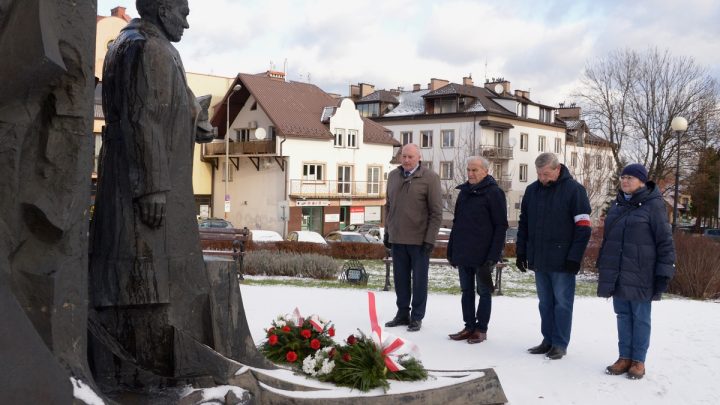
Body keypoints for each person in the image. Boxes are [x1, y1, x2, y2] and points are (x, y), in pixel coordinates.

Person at [89, 0, 217, 376]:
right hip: (145, 188)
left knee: (142, 279)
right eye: (184, 13)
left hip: (141, 181)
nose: (188, 24)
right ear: (163, 10)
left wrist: (194, 115)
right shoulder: (148, 47)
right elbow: (143, 118)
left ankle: (146, 367)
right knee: (141, 281)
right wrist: (152, 187)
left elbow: (163, 104)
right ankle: (145, 372)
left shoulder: (135, 43)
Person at [596, 164, 675, 380]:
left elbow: (665, 242)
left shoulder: (654, 205)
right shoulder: (618, 205)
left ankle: (638, 360)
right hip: (619, 272)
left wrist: (664, 272)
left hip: (642, 272)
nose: (625, 181)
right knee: (622, 315)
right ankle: (624, 357)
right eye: (622, 177)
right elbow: (609, 239)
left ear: (642, 181)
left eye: (630, 177)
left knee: (640, 317)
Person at [516, 152, 591, 360]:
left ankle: (559, 342)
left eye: (546, 174)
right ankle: (547, 339)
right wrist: (521, 251)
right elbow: (524, 223)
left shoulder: (575, 191)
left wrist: (574, 258)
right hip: (539, 258)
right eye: (539, 174)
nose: (542, 178)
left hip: (563, 260)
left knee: (562, 303)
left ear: (558, 169)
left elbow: (583, 227)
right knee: (545, 303)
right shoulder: (532, 191)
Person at [446, 157, 508, 344]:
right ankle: (469, 326)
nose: (471, 174)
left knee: (484, 292)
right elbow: (457, 223)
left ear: (485, 171)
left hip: (483, 255)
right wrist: (451, 249)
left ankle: (481, 329)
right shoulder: (464, 192)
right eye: (469, 170)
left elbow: (500, 226)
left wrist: (493, 255)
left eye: (475, 170)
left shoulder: (494, 193)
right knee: (466, 291)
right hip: (464, 252)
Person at [383, 143, 442, 332]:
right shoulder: (393, 176)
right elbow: (389, 206)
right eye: (404, 156)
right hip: (397, 238)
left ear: (419, 158)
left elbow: (436, 212)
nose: (406, 160)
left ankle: (416, 317)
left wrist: (429, 239)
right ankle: (402, 313)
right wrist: (387, 232)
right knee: (400, 280)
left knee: (419, 281)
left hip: (419, 241)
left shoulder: (430, 178)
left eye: (410, 157)